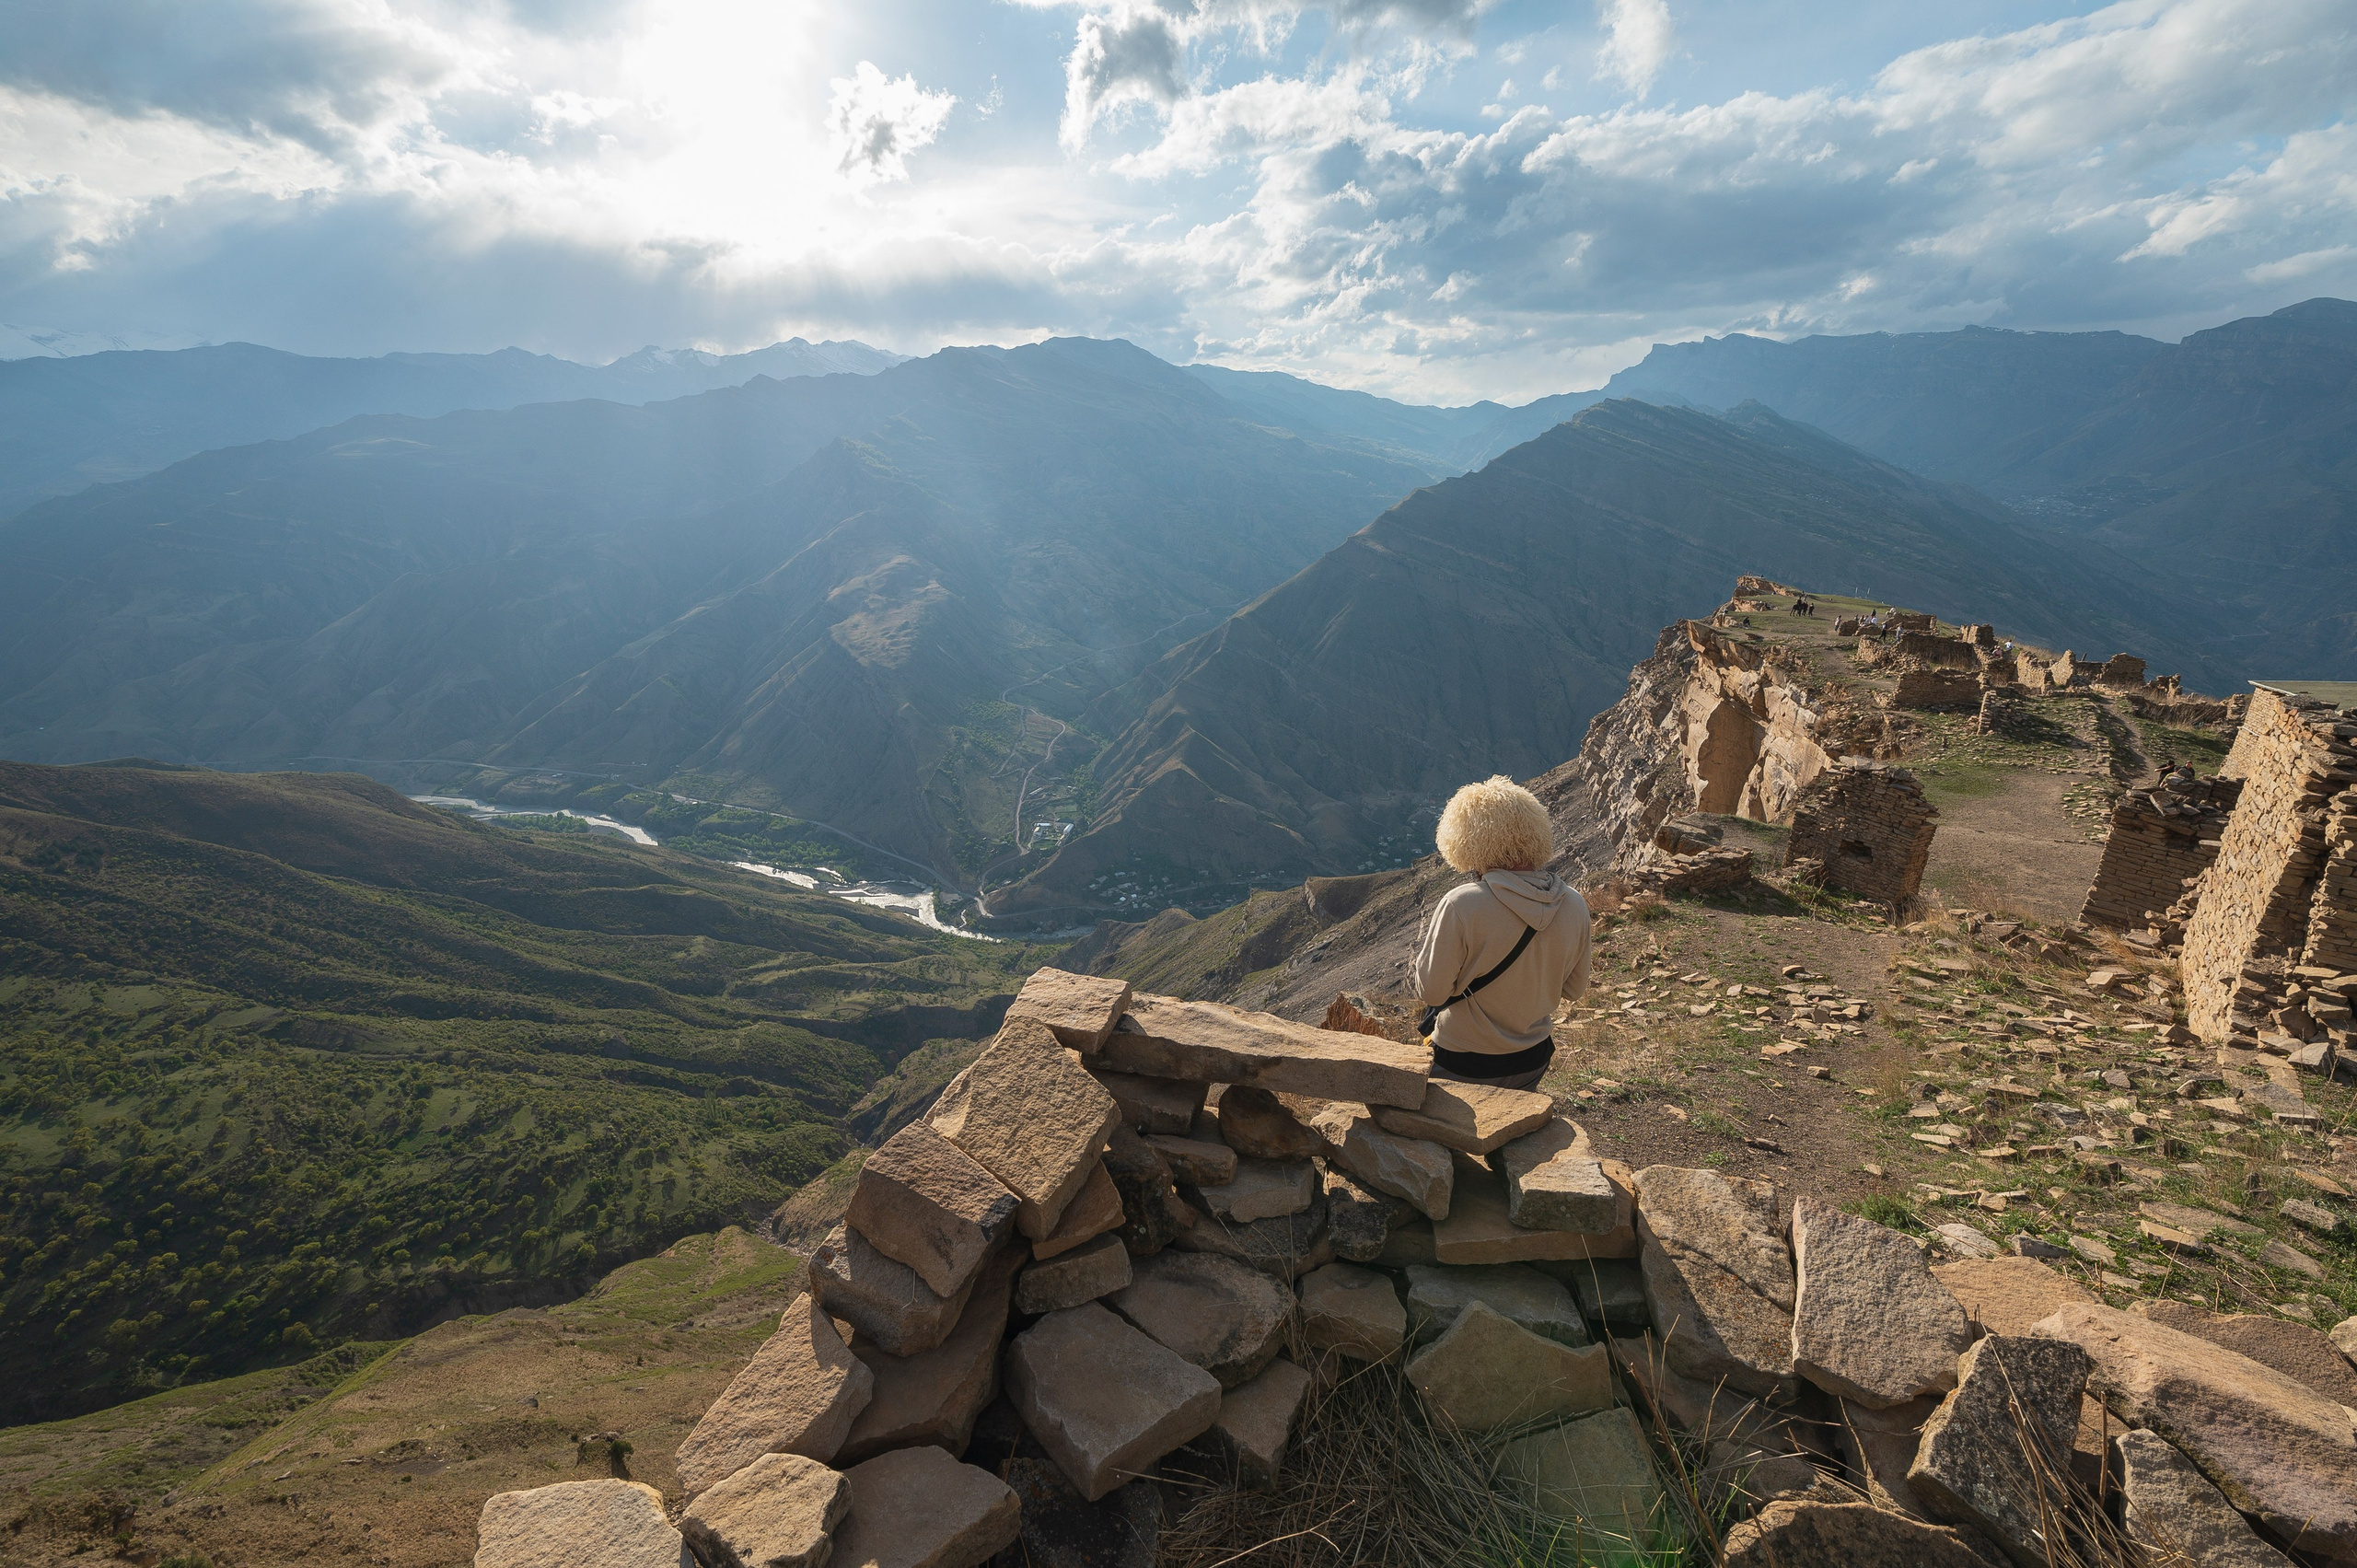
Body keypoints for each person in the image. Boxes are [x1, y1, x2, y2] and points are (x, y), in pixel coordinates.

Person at [1412, 775, 1592, 1090]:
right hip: (1532, 1060)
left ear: (1466, 841)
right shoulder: (1574, 903)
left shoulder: (1462, 904)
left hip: (1462, 1063)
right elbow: (1574, 990)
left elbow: (1432, 993)